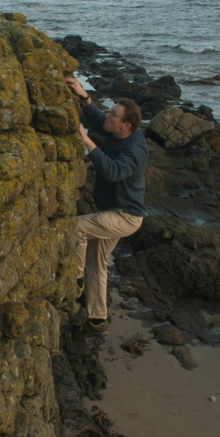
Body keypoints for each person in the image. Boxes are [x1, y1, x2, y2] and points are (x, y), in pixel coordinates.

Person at [65, 77, 148, 334]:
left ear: (126, 125)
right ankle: (97, 320)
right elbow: (98, 121)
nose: (107, 116)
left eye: (113, 114)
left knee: (76, 228)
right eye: (110, 111)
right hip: (112, 211)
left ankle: (77, 280)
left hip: (125, 216)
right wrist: (84, 97)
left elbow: (112, 172)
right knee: (97, 263)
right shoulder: (119, 130)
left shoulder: (135, 150)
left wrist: (85, 139)